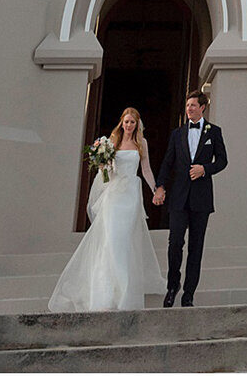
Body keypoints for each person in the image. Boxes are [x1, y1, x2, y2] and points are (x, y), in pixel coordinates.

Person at [46, 106, 161, 312]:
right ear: (121, 122)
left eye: (132, 122)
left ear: (137, 124)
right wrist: (103, 166)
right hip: (114, 195)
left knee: (125, 240)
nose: (128, 125)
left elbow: (146, 169)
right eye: (126, 122)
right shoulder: (113, 141)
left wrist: (155, 189)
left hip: (131, 195)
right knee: (111, 239)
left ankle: (125, 292)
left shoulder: (141, 143)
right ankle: (106, 292)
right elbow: (106, 173)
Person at [152, 88, 227, 307]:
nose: (189, 109)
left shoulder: (214, 132)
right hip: (179, 197)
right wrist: (160, 186)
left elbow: (222, 161)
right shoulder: (177, 134)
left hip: (201, 199)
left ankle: (189, 292)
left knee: (196, 246)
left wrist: (205, 169)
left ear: (202, 107)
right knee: (175, 242)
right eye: (187, 106)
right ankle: (172, 286)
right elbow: (168, 162)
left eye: (193, 105)